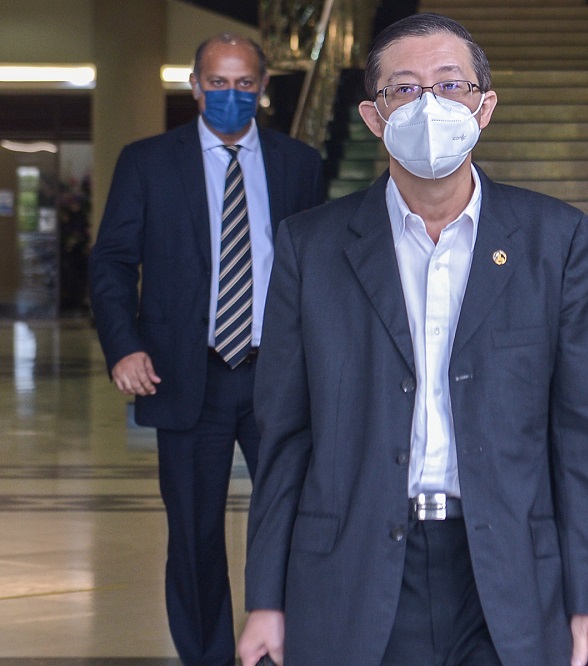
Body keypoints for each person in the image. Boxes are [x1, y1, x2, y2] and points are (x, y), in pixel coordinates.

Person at [237, 12, 588, 666]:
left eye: (450, 86)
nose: (430, 105)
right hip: (353, 567)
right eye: (406, 89)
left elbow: (585, 433)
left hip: (506, 571)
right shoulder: (312, 247)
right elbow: (284, 435)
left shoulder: (553, 242)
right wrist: (265, 600)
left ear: (485, 106)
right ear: (371, 115)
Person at [89, 33, 325, 665]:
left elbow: (323, 272)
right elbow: (111, 262)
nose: (230, 95)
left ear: (264, 87)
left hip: (277, 372)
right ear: (194, 86)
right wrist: (123, 347)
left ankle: (283, 647)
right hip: (185, 374)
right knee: (193, 535)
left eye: (243, 84)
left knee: (295, 522)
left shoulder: (299, 165)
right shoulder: (147, 162)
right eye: (216, 84)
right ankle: (211, 656)